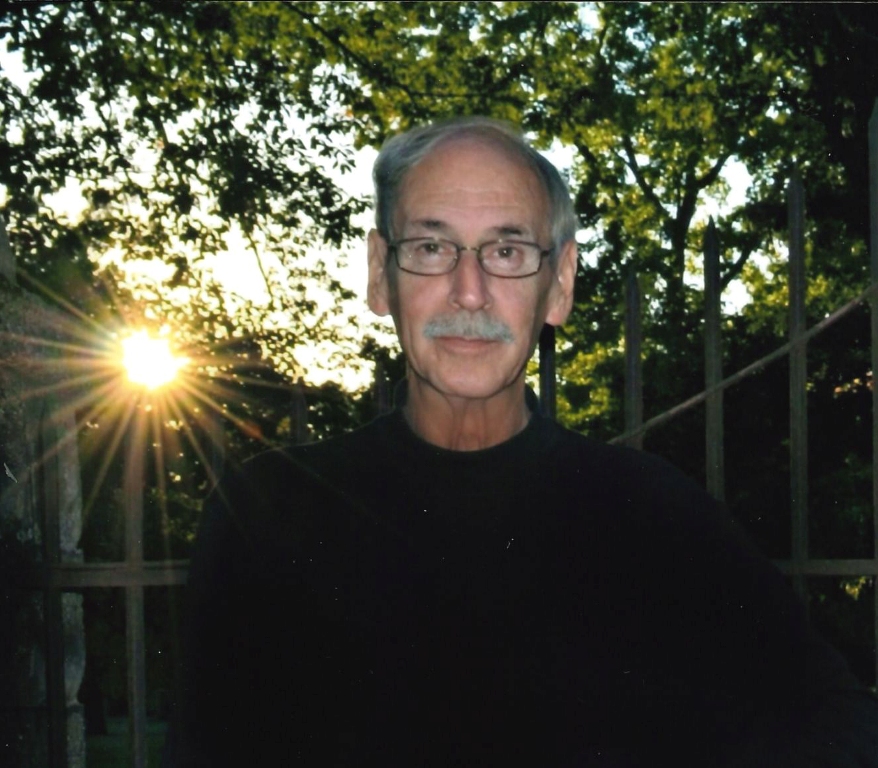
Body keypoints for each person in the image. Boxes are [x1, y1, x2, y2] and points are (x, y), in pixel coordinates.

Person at [171, 117, 878, 767]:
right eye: (431, 247)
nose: (469, 291)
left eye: (507, 251)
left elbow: (833, 720)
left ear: (559, 284)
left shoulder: (655, 514)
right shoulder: (266, 513)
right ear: (380, 274)